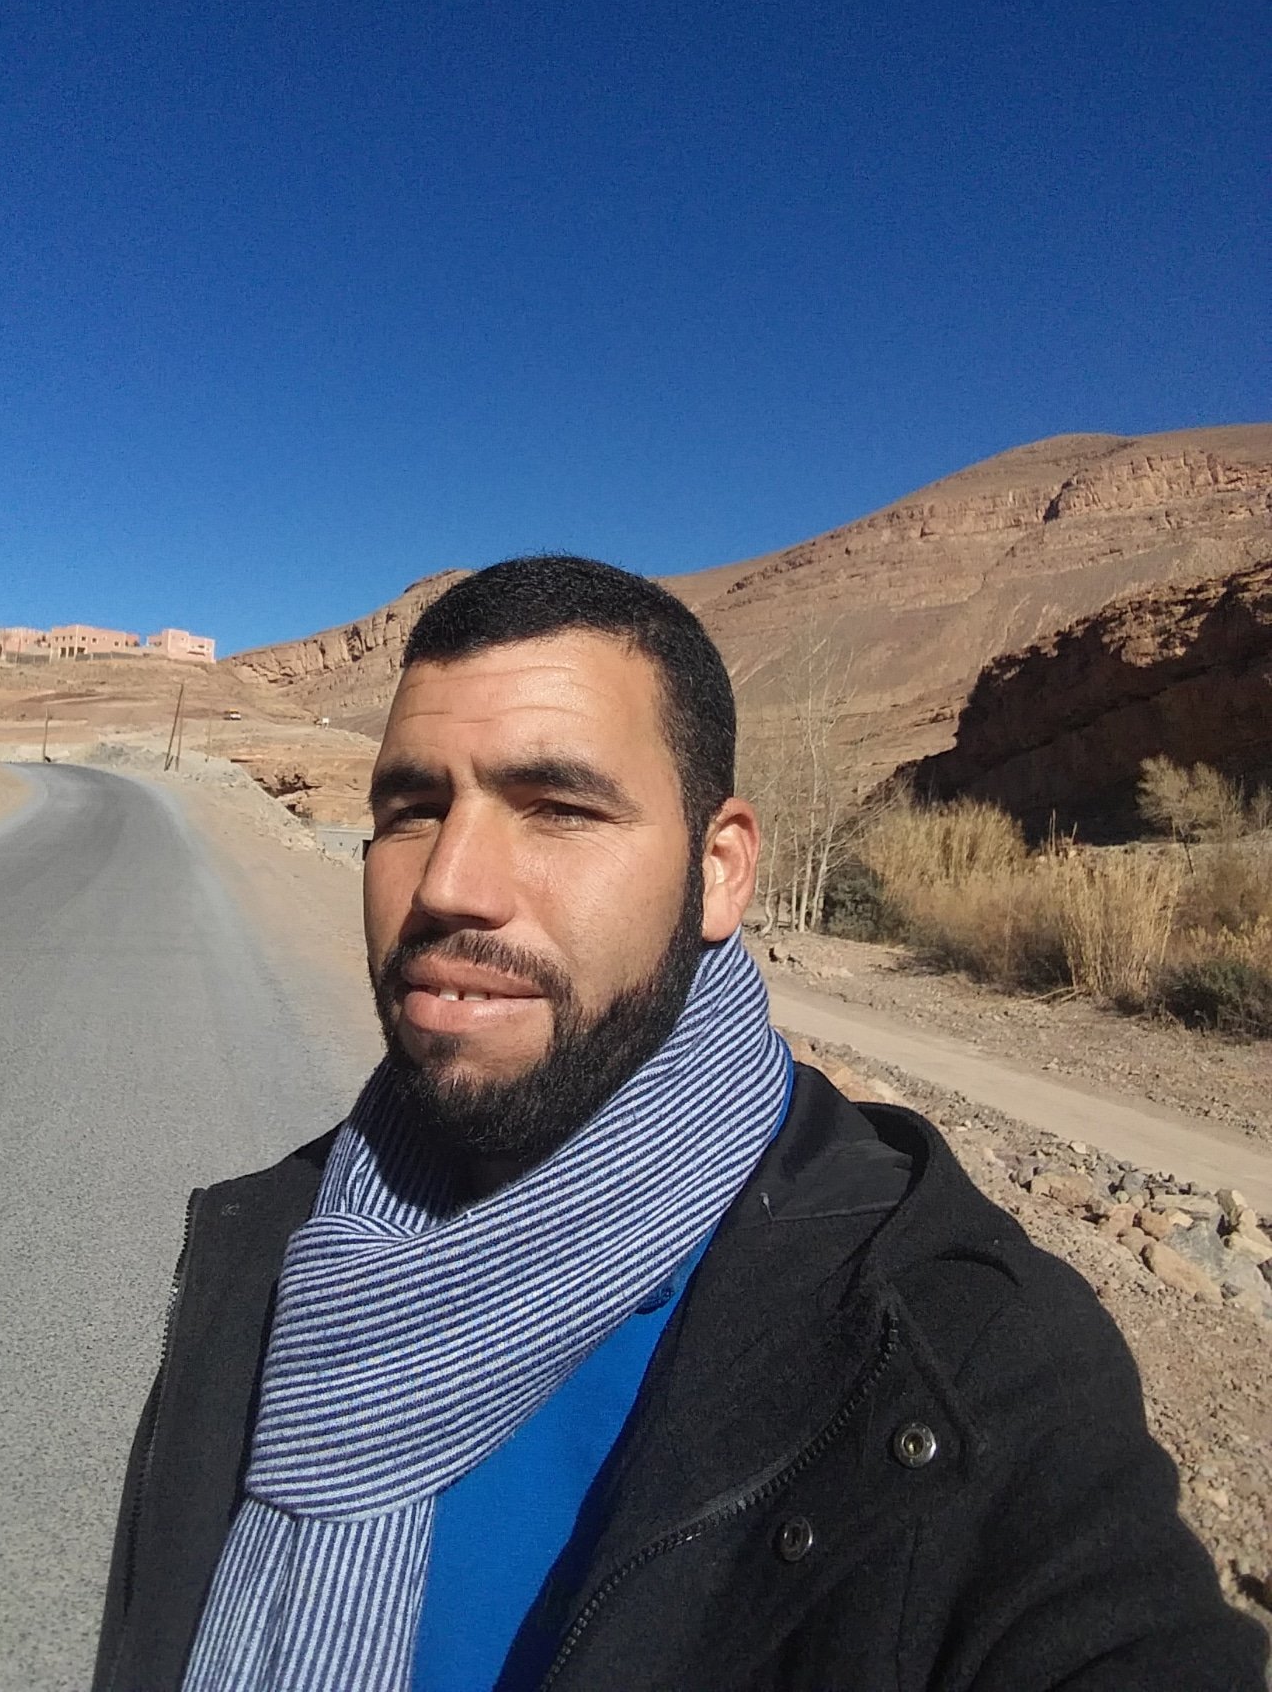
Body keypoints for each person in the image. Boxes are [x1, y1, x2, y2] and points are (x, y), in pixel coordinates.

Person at [94, 556, 1267, 1692]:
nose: (449, 882)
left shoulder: (956, 1347)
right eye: (411, 808)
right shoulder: (285, 1248)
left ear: (719, 870)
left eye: (558, 808)